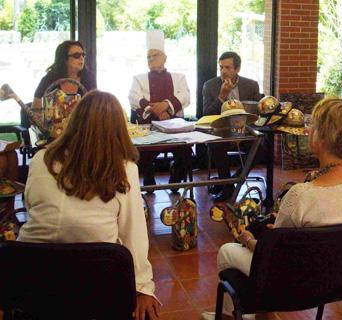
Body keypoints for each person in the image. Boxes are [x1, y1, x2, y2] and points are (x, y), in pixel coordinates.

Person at [201, 97, 342, 320]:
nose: (309, 129)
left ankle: (230, 315)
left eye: (314, 126)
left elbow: (270, 253)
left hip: (293, 281)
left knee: (228, 251)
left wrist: (247, 239)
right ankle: (264, 316)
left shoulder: (302, 195)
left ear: (322, 138)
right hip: (337, 278)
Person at [18, 90, 161, 320]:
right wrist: (144, 287)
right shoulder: (124, 169)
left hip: (32, 280)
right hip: (95, 283)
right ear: (119, 128)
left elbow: (31, 206)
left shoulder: (40, 159)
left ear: (74, 120)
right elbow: (133, 232)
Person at [129, 30, 192, 190]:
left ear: (164, 57)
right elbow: (133, 97)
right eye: (148, 57)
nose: (151, 59)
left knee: (186, 154)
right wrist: (156, 110)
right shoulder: (139, 78)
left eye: (155, 55)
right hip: (148, 128)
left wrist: (166, 105)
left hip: (175, 129)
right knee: (141, 154)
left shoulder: (179, 77)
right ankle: (149, 182)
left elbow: (185, 96)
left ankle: (175, 180)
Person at [202, 52, 261, 201]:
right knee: (215, 145)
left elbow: (255, 114)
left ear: (237, 69)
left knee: (261, 147)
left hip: (245, 130)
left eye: (228, 67)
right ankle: (228, 187)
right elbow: (206, 114)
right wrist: (222, 96)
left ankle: (236, 178)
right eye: (221, 67)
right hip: (221, 130)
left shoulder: (251, 85)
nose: (223, 71)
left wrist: (240, 133)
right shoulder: (210, 85)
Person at [33, 40, 96, 108]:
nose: (81, 58)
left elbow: (95, 106)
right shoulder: (49, 78)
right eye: (76, 55)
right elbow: (36, 106)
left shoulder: (89, 78)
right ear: (64, 59)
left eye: (83, 55)